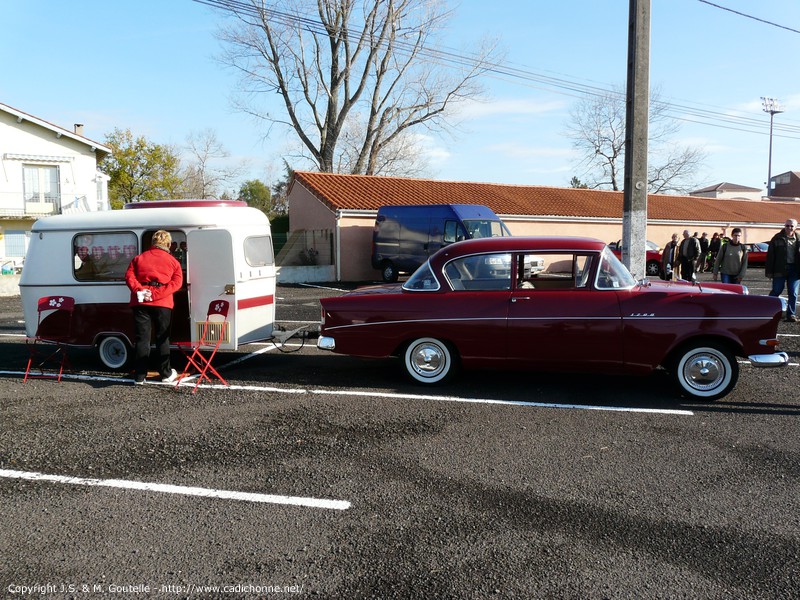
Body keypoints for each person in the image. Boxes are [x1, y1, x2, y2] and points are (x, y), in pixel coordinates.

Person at [125, 230, 183, 384]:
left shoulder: (138, 258)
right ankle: (165, 374)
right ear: (169, 244)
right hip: (163, 302)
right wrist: (157, 293)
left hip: (141, 302)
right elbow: (177, 283)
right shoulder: (173, 262)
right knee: (162, 338)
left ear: (152, 243)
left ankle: (139, 376)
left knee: (142, 339)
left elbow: (129, 277)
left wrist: (141, 291)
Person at [766, 218, 800, 322]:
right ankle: (768, 311)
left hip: (795, 270)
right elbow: (770, 255)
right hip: (779, 269)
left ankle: (791, 315)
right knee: (776, 291)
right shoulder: (777, 238)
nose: (789, 228)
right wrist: (769, 272)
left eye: (791, 226)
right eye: (787, 226)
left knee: (793, 293)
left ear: (795, 227)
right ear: (784, 226)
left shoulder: (799, 239)